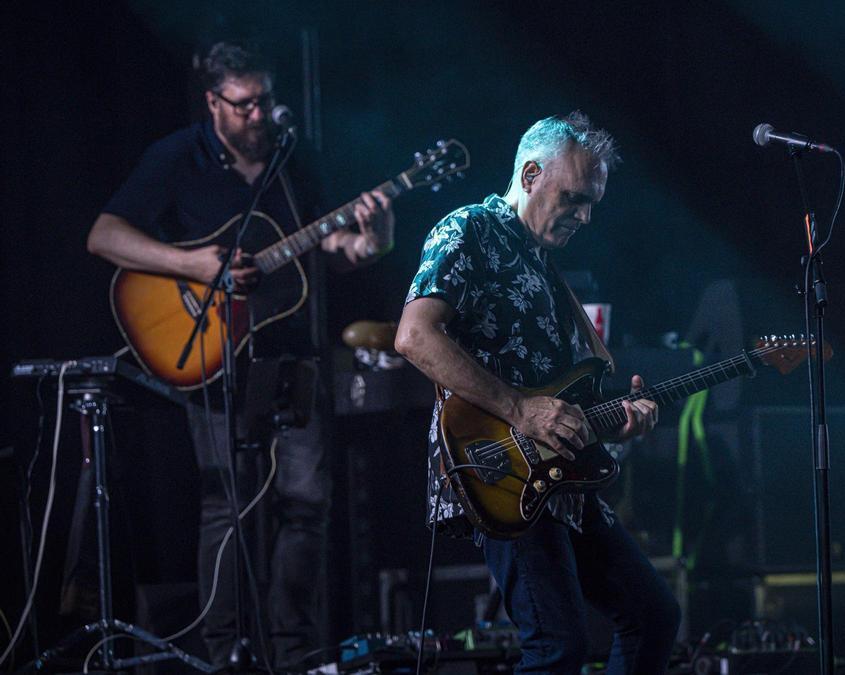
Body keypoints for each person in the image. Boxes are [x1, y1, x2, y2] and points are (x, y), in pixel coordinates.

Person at [86, 42, 395, 669]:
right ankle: (224, 651)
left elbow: (344, 244)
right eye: (244, 104)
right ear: (213, 102)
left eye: (265, 101)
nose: (258, 115)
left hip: (295, 356)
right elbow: (104, 235)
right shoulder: (179, 157)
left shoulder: (293, 160)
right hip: (214, 357)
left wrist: (375, 236)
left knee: (307, 503)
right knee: (226, 506)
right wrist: (193, 263)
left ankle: (294, 652)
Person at [395, 112, 681, 674]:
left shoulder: (544, 265)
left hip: (563, 479)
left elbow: (563, 397)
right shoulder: (469, 230)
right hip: (500, 470)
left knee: (653, 617)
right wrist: (521, 409)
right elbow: (413, 335)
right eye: (574, 198)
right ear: (530, 176)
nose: (586, 216)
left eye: (592, 202)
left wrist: (614, 424)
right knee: (556, 649)